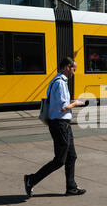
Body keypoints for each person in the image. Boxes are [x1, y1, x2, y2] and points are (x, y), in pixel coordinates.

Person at [24, 57, 86, 197]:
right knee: (60, 160)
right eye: (73, 69)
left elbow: (60, 103)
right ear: (67, 67)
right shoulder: (60, 83)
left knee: (72, 156)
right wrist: (77, 103)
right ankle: (31, 179)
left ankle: (71, 187)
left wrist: (75, 101)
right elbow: (64, 107)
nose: (74, 73)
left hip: (63, 124)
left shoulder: (56, 81)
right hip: (60, 125)